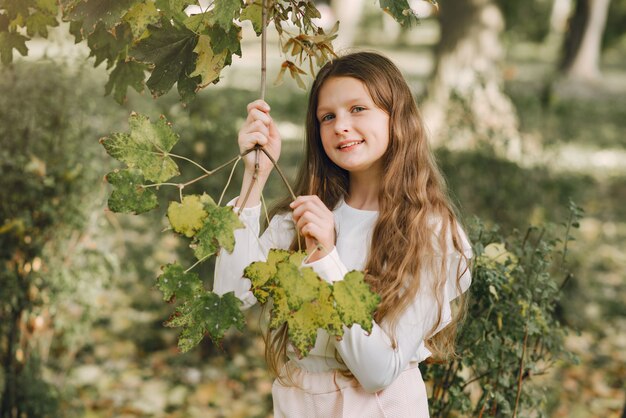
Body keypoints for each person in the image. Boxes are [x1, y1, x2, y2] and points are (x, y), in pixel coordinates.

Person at [214, 51, 473, 417]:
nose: (341, 126)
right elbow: (229, 300)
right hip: (297, 405)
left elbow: (378, 370)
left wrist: (326, 258)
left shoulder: (430, 233)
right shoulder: (303, 214)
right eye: (328, 116)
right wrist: (253, 179)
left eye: (358, 109)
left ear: (395, 117)